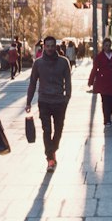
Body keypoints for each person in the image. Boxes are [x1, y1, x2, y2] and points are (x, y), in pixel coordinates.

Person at [25, 35, 73, 170]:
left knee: (58, 130)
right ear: (44, 47)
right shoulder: (38, 63)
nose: (50, 48)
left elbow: (68, 81)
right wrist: (28, 102)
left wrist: (67, 98)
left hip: (59, 102)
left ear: (56, 46)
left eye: (53, 46)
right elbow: (33, 83)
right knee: (47, 130)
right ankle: (50, 159)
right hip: (44, 101)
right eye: (48, 46)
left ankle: (52, 150)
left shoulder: (64, 62)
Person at [88, 37, 112, 126]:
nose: (107, 47)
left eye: (109, 45)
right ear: (103, 46)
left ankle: (108, 112)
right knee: (105, 101)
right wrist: (91, 80)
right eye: (106, 45)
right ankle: (106, 119)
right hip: (103, 82)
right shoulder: (99, 57)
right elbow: (95, 69)